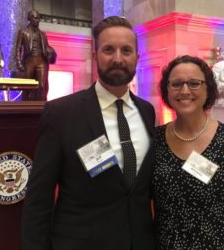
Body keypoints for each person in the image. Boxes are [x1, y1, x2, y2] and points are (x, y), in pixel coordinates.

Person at [22, 16, 156, 250]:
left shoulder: (147, 111)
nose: (117, 58)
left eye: (126, 50)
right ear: (95, 56)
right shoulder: (60, 113)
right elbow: (39, 198)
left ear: (137, 57)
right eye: (108, 50)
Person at [152, 55, 224, 249]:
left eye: (194, 83)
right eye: (176, 84)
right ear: (167, 90)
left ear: (208, 88)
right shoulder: (155, 139)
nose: (185, 91)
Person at [15, 9, 56, 101]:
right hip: (29, 61)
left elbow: (46, 47)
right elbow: (18, 48)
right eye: (34, 18)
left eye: (38, 18)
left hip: (41, 61)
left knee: (42, 85)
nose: (37, 20)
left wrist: (51, 53)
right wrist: (18, 62)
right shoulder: (23, 32)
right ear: (29, 18)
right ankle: (26, 106)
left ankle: (41, 106)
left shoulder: (43, 34)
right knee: (27, 86)